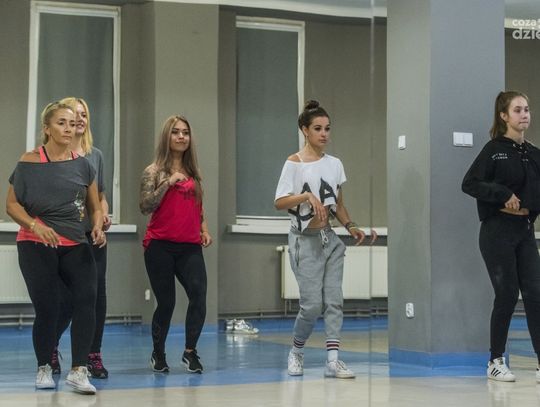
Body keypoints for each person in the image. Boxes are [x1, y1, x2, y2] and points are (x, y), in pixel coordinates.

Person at [6, 101, 105, 394]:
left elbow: (94, 206)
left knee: (87, 298)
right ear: (47, 128)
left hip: (75, 241)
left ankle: (79, 370)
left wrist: (97, 225)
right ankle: (44, 368)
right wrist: (34, 225)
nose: (69, 128)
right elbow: (11, 204)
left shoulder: (84, 164)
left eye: (72, 123)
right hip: (36, 242)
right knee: (48, 306)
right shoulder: (29, 161)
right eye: (61, 123)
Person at [274, 100, 377, 379]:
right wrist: (306, 196)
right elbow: (279, 202)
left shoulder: (335, 164)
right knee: (311, 306)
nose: (324, 134)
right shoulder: (293, 164)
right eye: (318, 128)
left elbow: (338, 204)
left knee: (334, 301)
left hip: (329, 239)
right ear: (305, 130)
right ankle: (296, 351)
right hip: (303, 240)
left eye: (327, 128)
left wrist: (351, 225)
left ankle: (333, 360)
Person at [462, 90, 540, 382]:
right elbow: (470, 183)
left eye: (527, 109)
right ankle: (495, 361)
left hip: (524, 230)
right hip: (497, 231)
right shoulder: (493, 150)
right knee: (507, 294)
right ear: (504, 116)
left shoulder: (534, 153)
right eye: (518, 110)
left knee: (535, 294)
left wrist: (530, 211)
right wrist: (502, 193)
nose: (524, 114)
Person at [139, 115, 212, 374]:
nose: (181, 136)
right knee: (167, 302)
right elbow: (145, 206)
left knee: (199, 295)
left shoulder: (194, 173)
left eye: (185, 132)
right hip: (159, 245)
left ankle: (190, 352)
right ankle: (158, 353)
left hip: (189, 246)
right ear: (166, 137)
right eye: (176, 132)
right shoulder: (153, 171)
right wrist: (168, 183)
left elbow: (198, 206)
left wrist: (204, 229)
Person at [50, 97, 111, 379]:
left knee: (96, 296)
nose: (80, 119)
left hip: (91, 236)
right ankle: (50, 345)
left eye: (84, 114)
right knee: (64, 300)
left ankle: (92, 354)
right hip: (63, 236)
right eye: (74, 114)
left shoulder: (95, 155)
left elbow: (101, 197)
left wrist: (103, 216)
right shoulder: (52, 155)